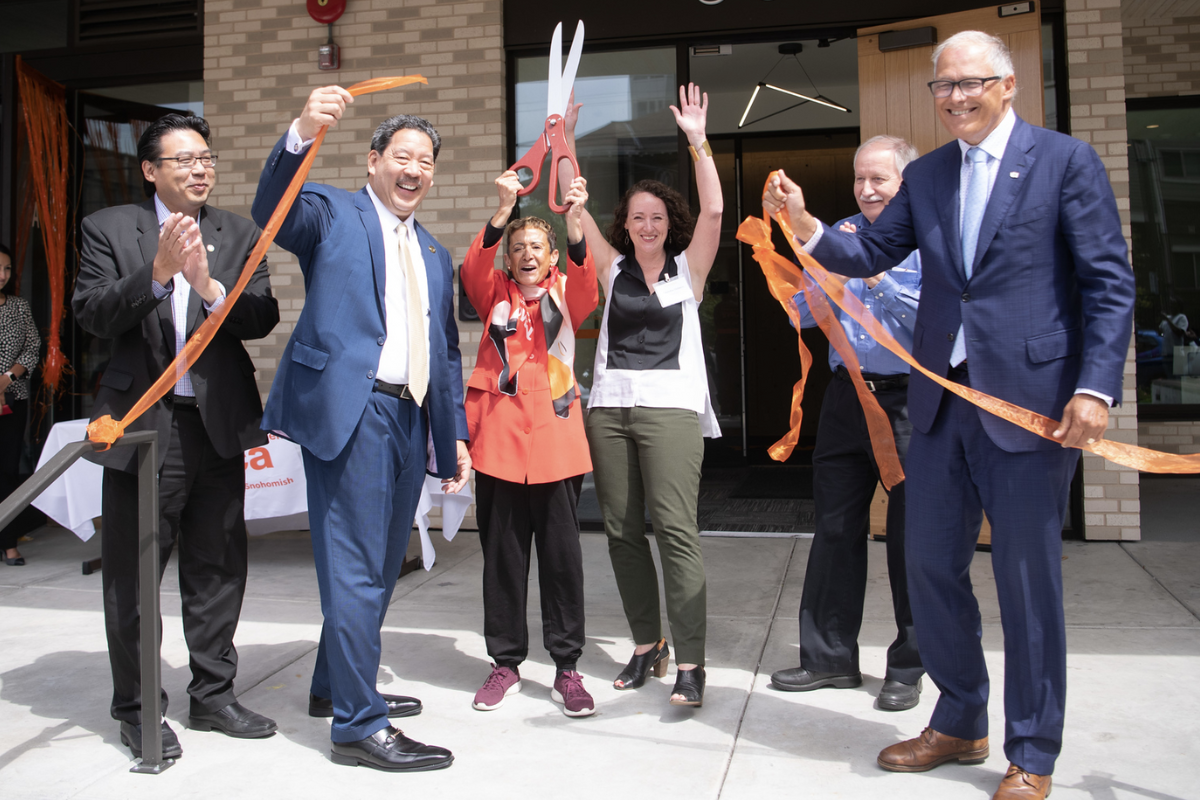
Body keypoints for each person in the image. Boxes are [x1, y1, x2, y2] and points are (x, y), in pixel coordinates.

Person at [763, 31, 1135, 800]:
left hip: (1028, 409)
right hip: (937, 407)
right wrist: (805, 224)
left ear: (1007, 85)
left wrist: (1095, 388)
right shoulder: (927, 176)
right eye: (942, 86)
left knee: (1028, 582)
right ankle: (960, 719)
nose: (955, 96)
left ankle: (1032, 752)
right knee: (929, 566)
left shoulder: (1064, 163)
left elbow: (1107, 282)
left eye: (970, 82)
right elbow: (867, 254)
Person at [252, 86, 469, 772]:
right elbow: (272, 210)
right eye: (402, 156)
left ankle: (333, 686)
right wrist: (300, 131)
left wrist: (453, 433)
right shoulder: (331, 213)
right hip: (351, 412)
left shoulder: (435, 253)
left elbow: (447, 352)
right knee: (353, 569)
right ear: (374, 161)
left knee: (379, 566)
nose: (414, 170)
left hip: (409, 417)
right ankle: (357, 724)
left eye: (425, 161)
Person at [73, 113, 281, 760]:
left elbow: (262, 315)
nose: (200, 168)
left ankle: (213, 695)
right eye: (184, 159)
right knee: (134, 577)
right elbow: (92, 314)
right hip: (144, 432)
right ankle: (137, 709)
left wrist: (208, 288)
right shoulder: (109, 229)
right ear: (150, 170)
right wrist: (158, 275)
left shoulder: (238, 231)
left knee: (218, 567)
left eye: (206, 158)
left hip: (216, 426)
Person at [560, 83, 722, 707]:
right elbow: (575, 201)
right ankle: (645, 644)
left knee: (676, 531)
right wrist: (565, 143)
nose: (647, 226)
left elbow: (712, 213)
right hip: (609, 410)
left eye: (656, 217)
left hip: (672, 411)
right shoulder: (611, 267)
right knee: (622, 533)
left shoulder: (691, 269)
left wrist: (699, 141)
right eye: (636, 218)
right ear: (623, 226)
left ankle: (692, 660)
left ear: (667, 224)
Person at [767, 135, 925, 711]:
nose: (866, 189)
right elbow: (804, 315)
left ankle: (909, 667)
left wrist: (873, 276)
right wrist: (812, 269)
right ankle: (829, 660)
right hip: (844, 399)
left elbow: (929, 320)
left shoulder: (926, 240)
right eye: (860, 179)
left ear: (905, 184)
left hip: (910, 404)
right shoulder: (839, 236)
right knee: (834, 528)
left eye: (879, 179)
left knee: (913, 537)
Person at [460, 170, 598, 717]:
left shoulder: (569, 294)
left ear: (552, 255)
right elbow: (474, 265)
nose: (526, 254)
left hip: (557, 441)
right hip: (497, 441)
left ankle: (567, 667)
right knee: (503, 558)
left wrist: (576, 217)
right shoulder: (493, 291)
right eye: (517, 248)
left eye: (536, 246)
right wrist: (503, 209)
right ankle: (505, 663)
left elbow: (588, 274)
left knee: (563, 562)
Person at [0, 243, 41, 567]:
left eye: (7, 269)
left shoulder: (18, 306)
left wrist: (7, 379)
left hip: (13, 399)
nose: (2, 275)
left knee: (8, 471)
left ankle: (9, 542)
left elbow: (32, 348)